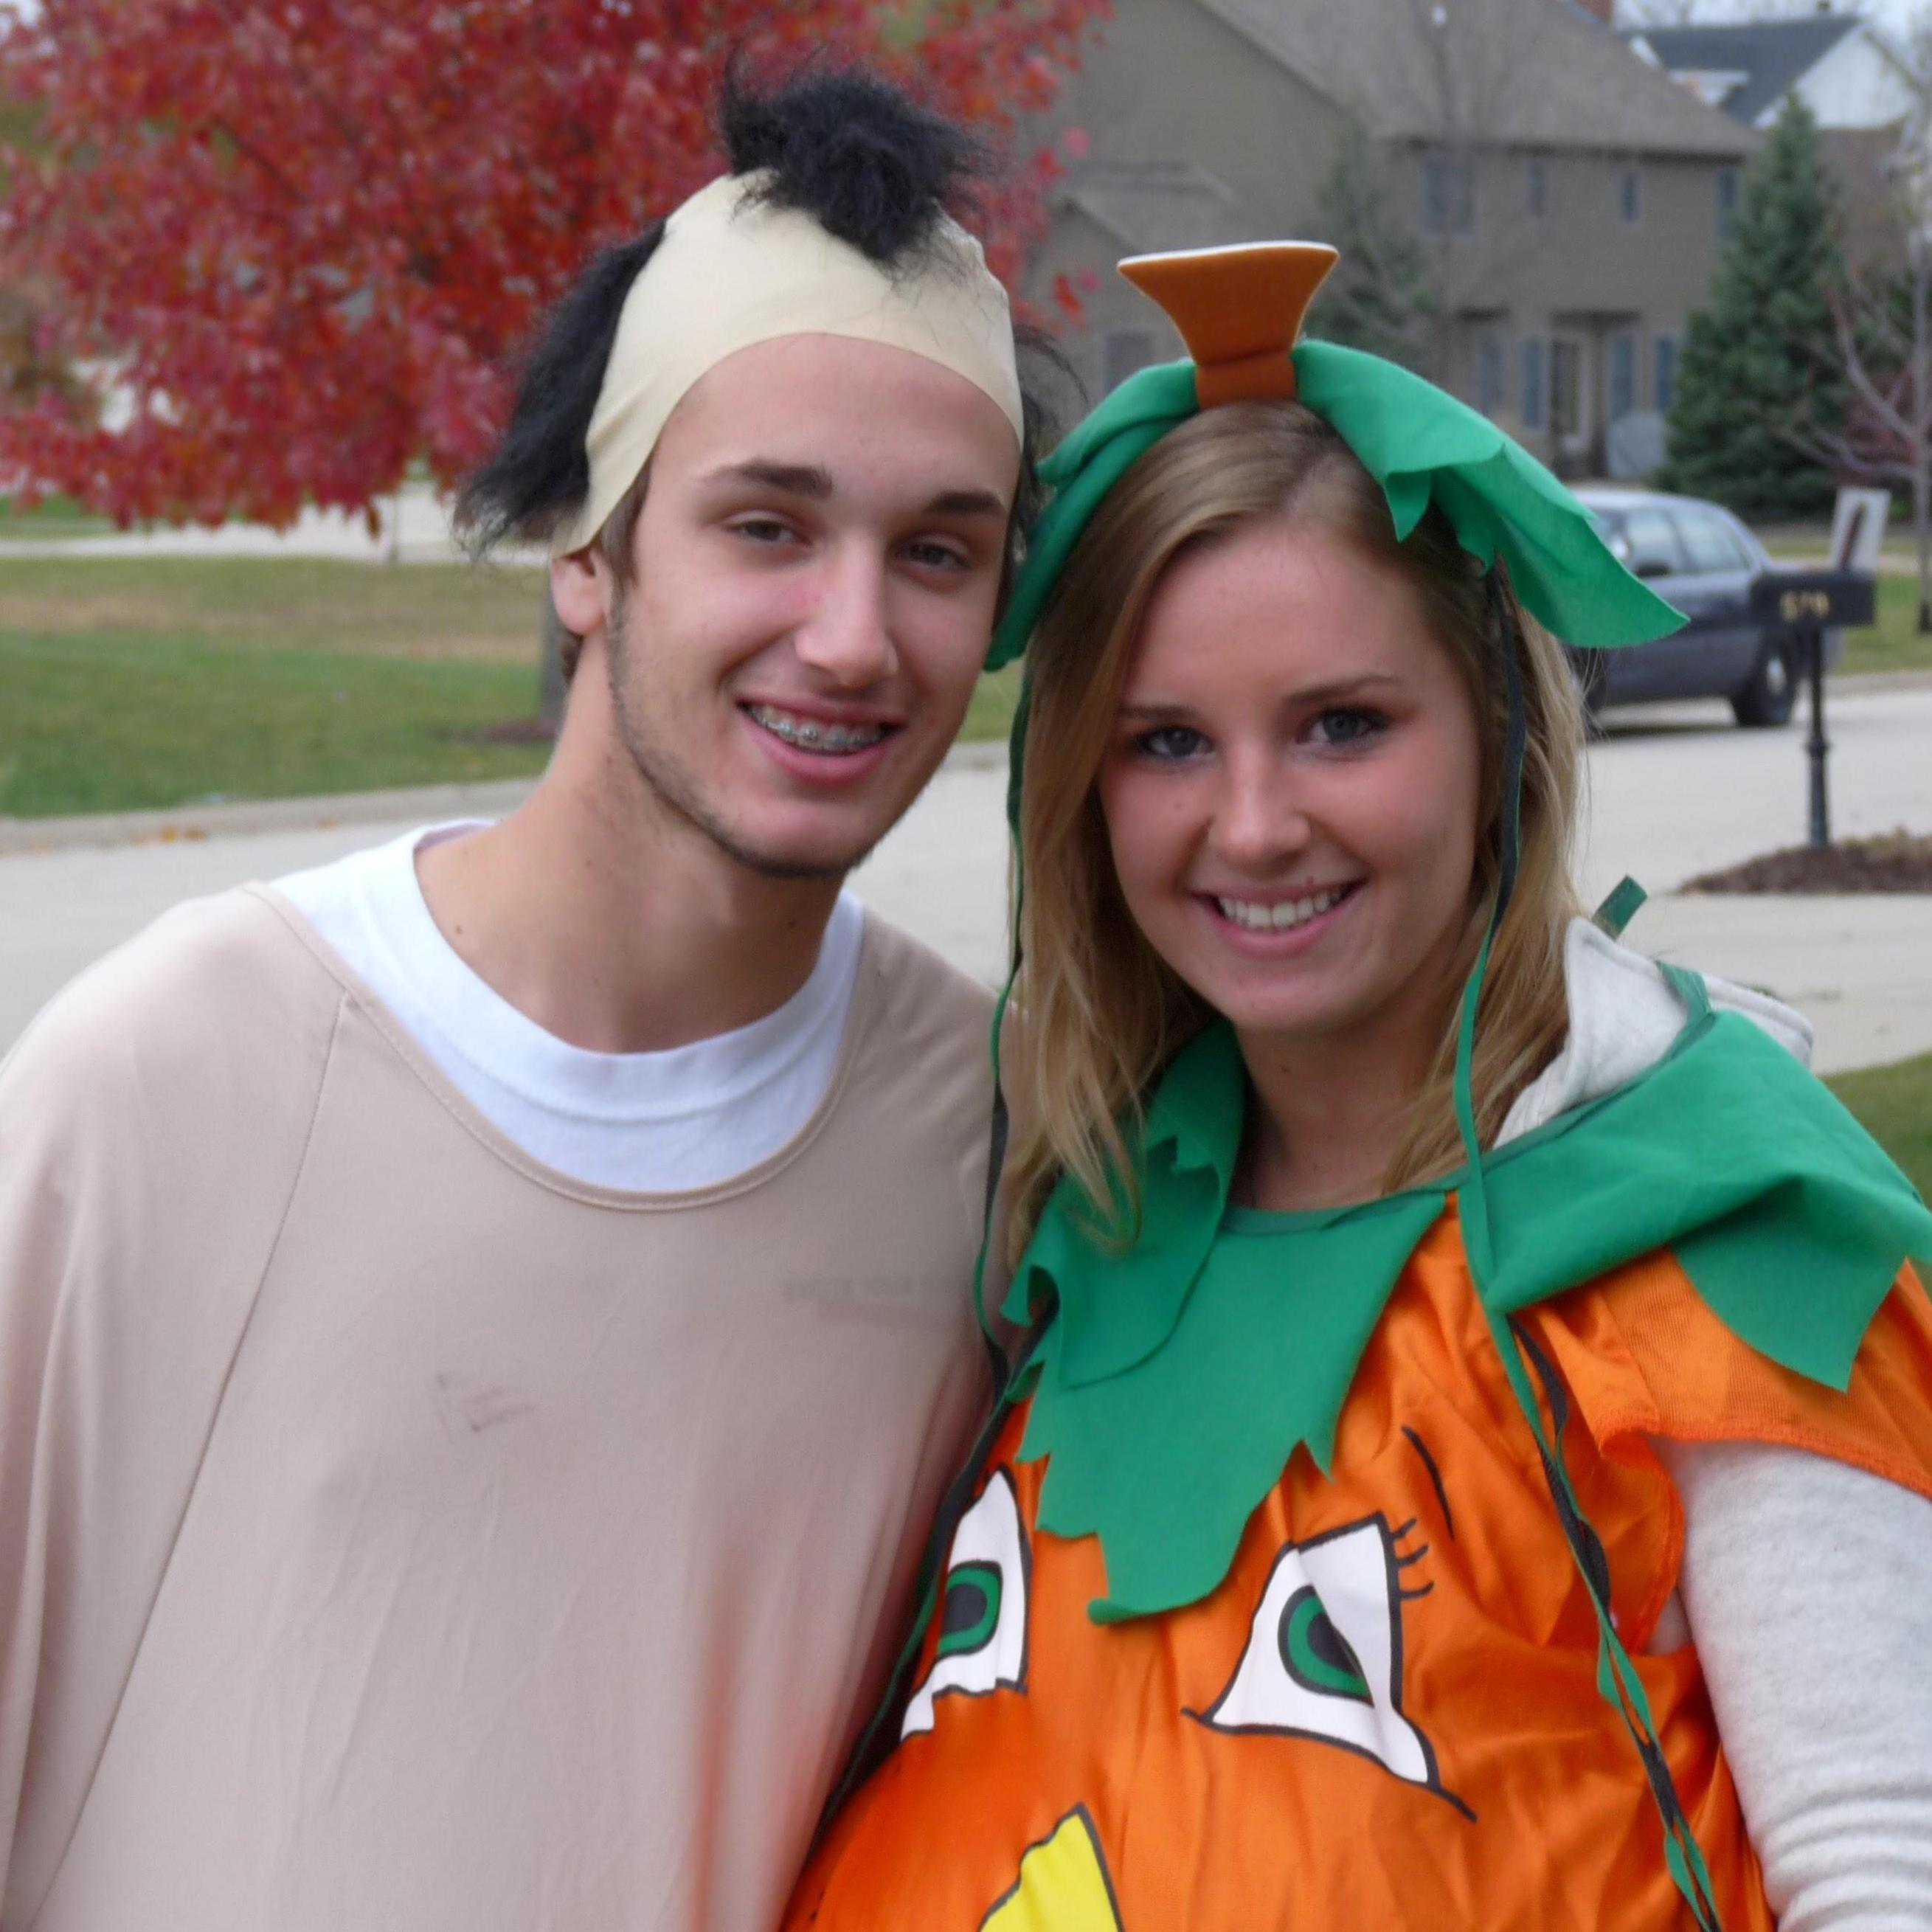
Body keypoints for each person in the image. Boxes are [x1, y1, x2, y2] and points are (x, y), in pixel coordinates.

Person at [0, 65, 1047, 1932]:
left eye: (939, 552)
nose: (853, 633)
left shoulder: (982, 1140)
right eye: (765, 523)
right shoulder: (172, 1076)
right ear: (586, 543)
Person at [783, 245, 1932, 1930]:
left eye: (1338, 724)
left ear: (1493, 737)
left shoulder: (1723, 1229)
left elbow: (1874, 1859)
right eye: (1166, 740)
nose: (1250, 825)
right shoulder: (1069, 1200)